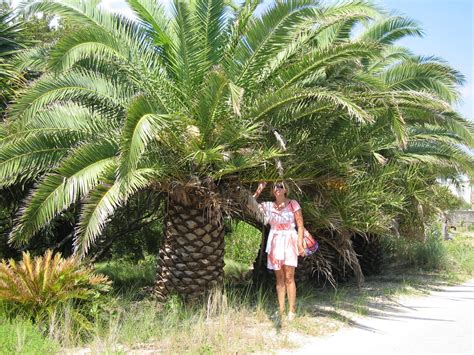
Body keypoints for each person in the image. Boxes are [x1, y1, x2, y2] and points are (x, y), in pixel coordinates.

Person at [253, 181, 305, 321]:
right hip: (275, 242)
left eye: (281, 186)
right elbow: (250, 203)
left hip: (289, 240)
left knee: (289, 277)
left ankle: (292, 311)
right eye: (275, 186)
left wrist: (300, 244)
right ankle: (281, 310)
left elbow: (300, 226)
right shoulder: (268, 206)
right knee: (279, 279)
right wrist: (260, 188)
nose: (277, 188)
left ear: (286, 189)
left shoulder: (293, 204)